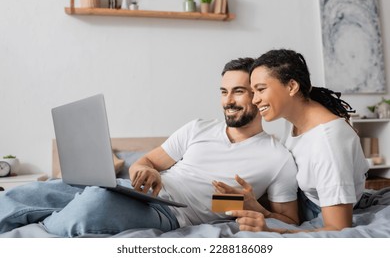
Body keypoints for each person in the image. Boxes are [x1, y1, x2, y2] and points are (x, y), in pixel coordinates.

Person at [0, 57, 298, 237]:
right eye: (223, 91)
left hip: (172, 214)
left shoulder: (276, 157)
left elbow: (290, 220)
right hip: (133, 190)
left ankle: (43, 224)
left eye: (239, 92)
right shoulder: (199, 127)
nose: (228, 100)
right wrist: (147, 171)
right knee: (29, 192)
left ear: (257, 95)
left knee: (92, 204)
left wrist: (254, 208)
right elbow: (146, 162)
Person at [226, 49, 369, 234]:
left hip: (316, 210)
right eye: (253, 92)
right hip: (297, 198)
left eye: (261, 89)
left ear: (292, 86)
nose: (254, 100)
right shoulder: (294, 120)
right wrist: (259, 207)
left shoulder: (328, 142)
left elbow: (337, 228)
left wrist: (273, 231)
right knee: (219, 199)